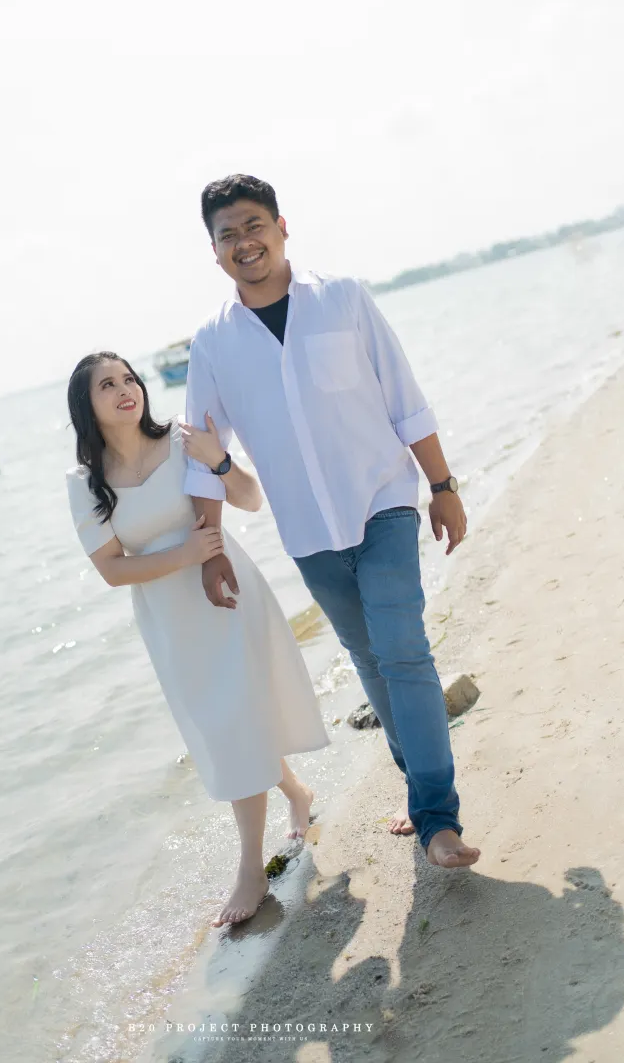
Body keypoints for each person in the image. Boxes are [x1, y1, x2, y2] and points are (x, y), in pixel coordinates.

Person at [183, 174, 480, 870]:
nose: (244, 243)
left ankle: (438, 820)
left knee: (403, 651)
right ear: (214, 252)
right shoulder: (212, 344)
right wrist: (210, 549)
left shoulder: (343, 299)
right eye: (228, 235)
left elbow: (405, 398)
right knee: (370, 661)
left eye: (253, 226)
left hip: (383, 501)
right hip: (308, 532)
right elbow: (202, 453)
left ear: (282, 227)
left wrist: (442, 486)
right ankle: (420, 791)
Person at [65, 352, 329, 927]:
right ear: (86, 405)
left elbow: (250, 498)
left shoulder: (183, 442)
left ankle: (251, 869)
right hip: (171, 619)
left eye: (129, 378)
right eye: (107, 385)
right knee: (225, 724)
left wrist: (221, 461)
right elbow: (112, 570)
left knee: (237, 718)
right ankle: (297, 794)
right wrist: (185, 554)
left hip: (228, 594)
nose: (126, 389)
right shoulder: (84, 484)